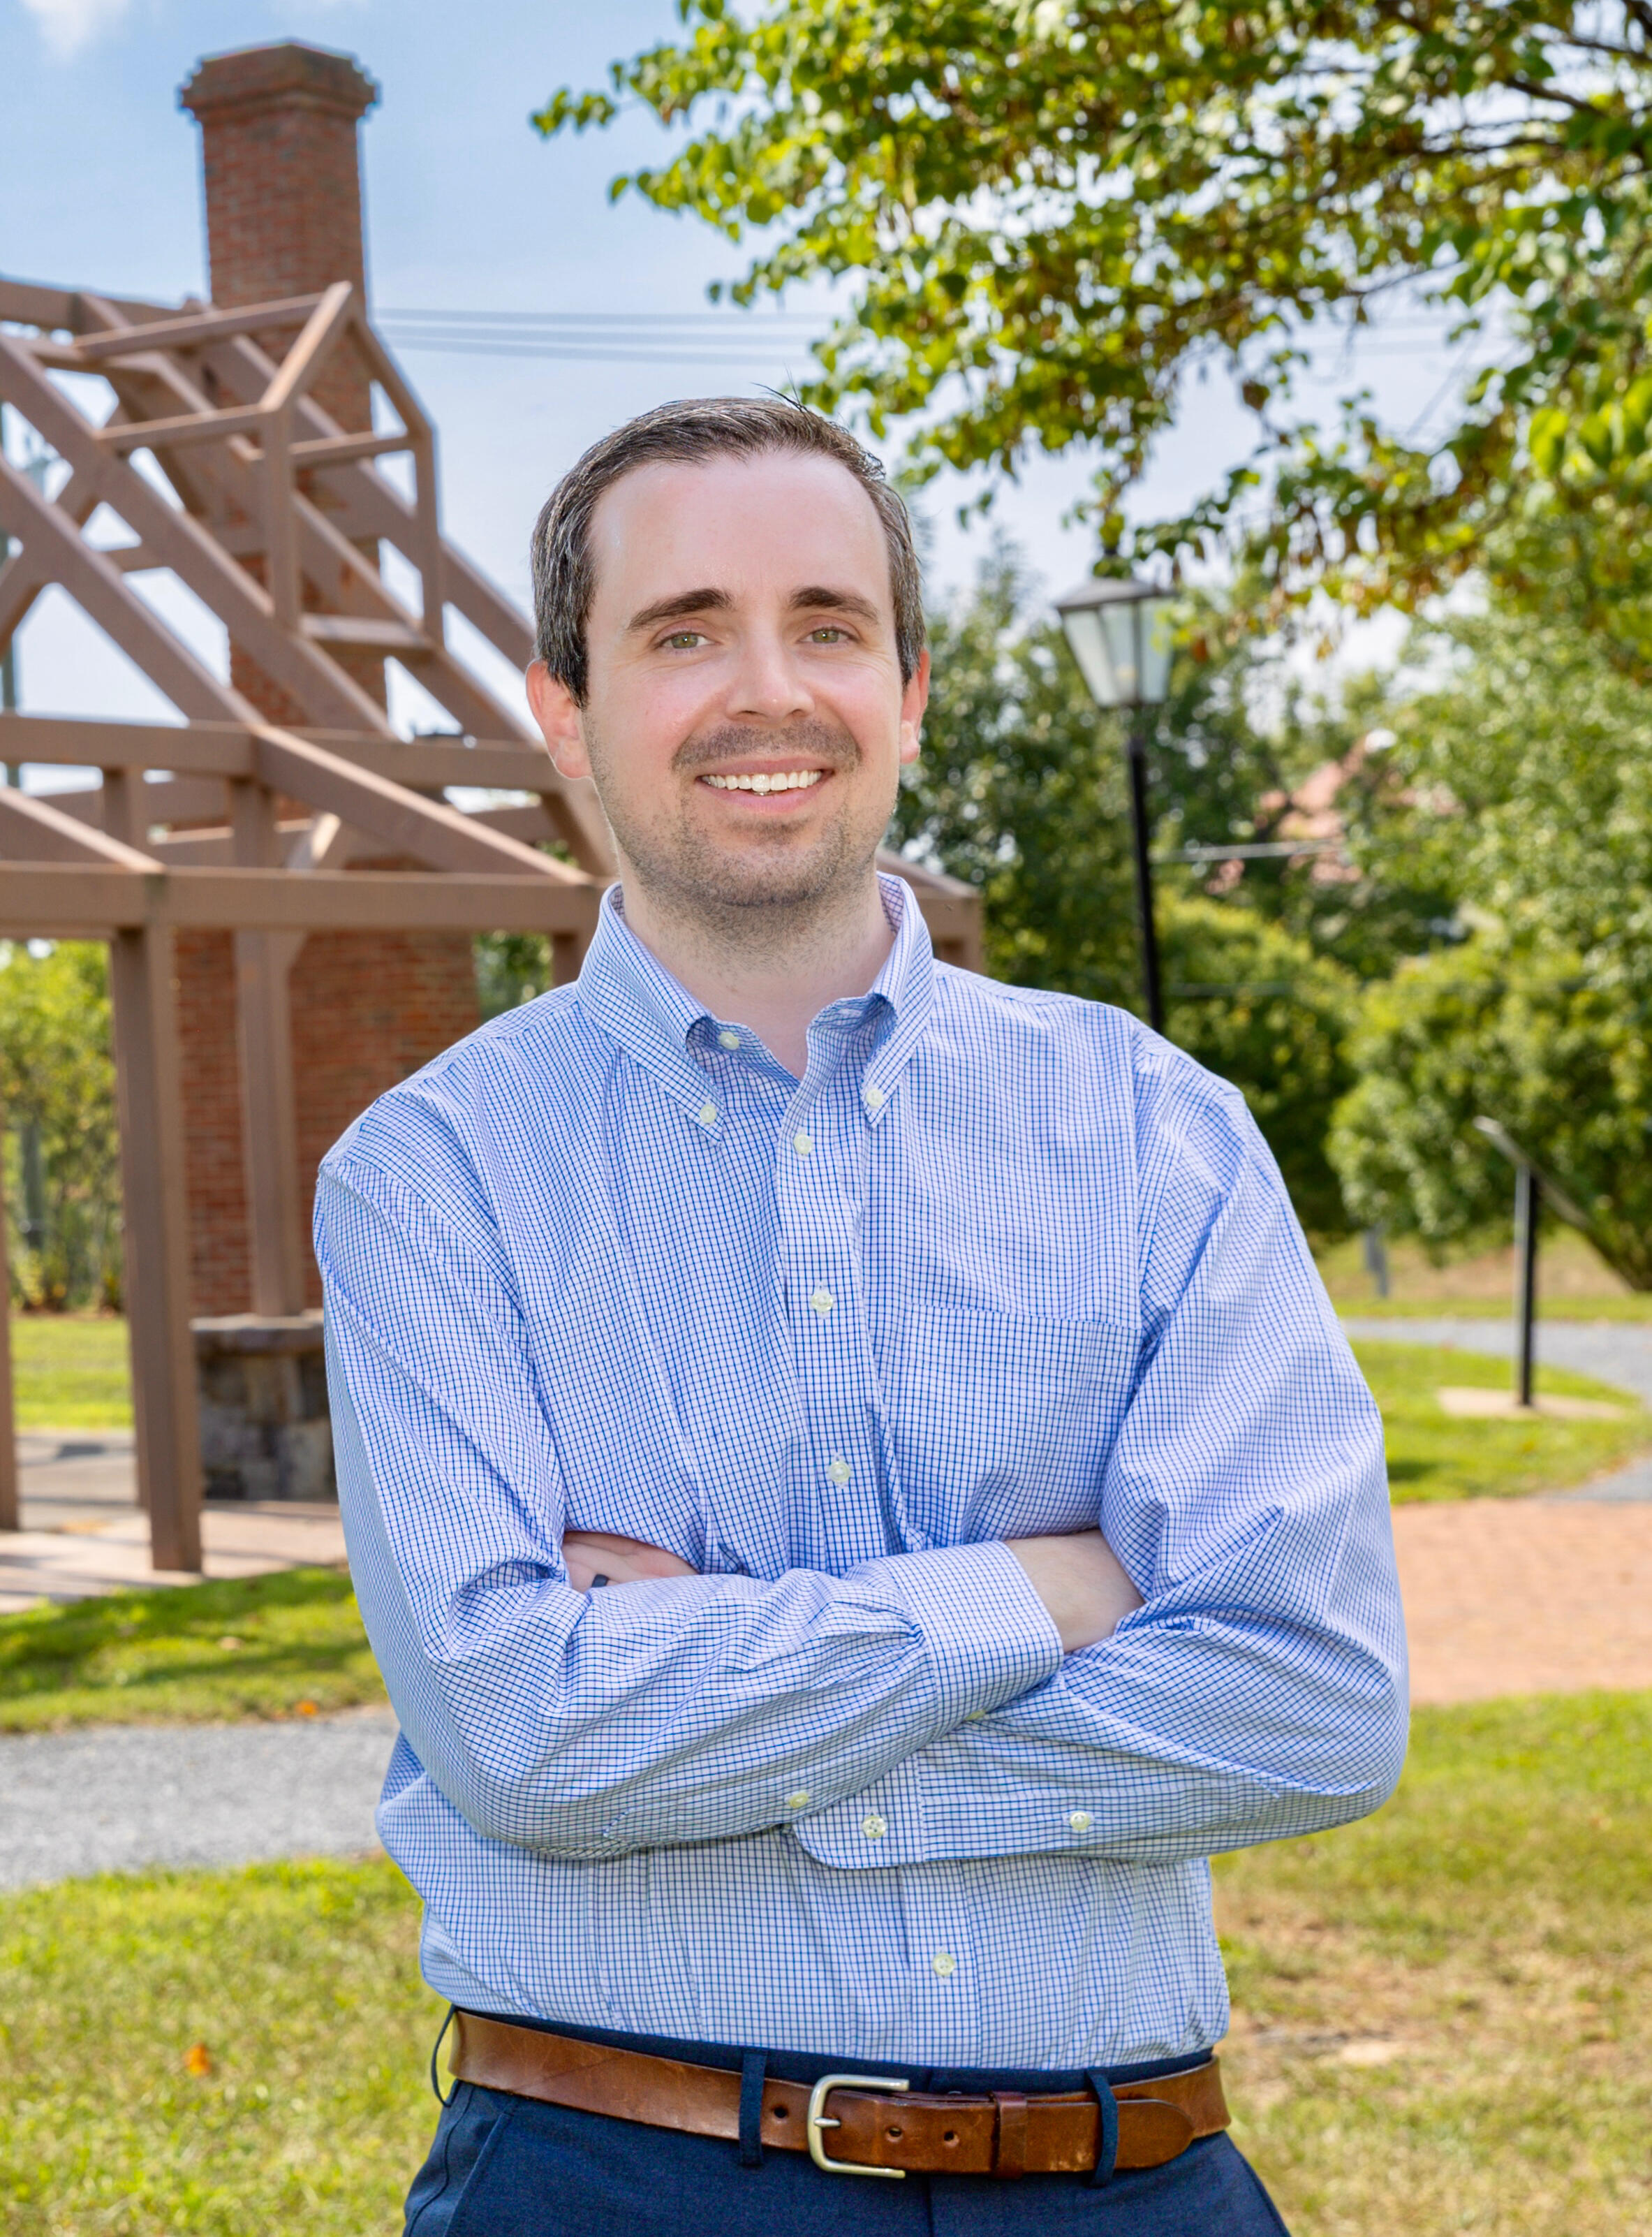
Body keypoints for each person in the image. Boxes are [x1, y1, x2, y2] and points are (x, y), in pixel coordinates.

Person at [315, 396, 1407, 2236]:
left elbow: (1315, 1699)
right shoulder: (434, 1177)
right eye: (684, 633)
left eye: (827, 625)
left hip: (1133, 2183)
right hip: (611, 2179)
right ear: (562, 710)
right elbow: (521, 1738)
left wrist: (724, 1726)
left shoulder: (1156, 1135)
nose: (771, 690)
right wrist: (1046, 1596)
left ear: (909, 689)